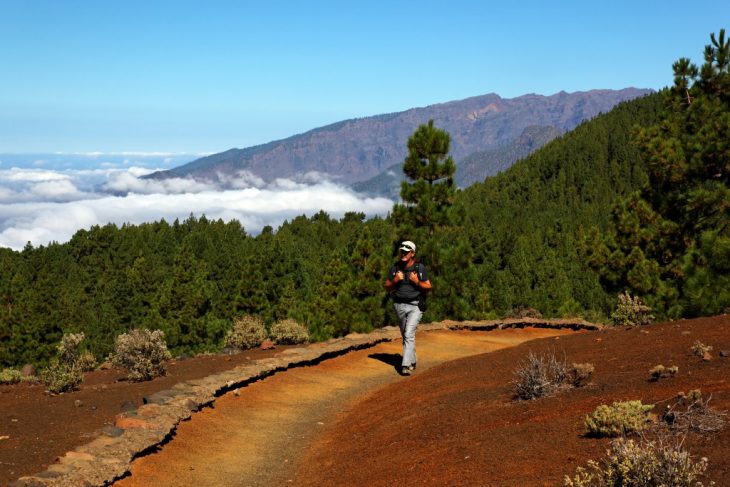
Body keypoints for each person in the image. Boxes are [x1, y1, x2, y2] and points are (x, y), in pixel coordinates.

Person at [384, 240, 432, 376]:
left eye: (407, 251)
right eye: (402, 251)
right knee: (406, 335)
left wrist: (417, 282)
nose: (403, 253)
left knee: (409, 334)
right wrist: (395, 280)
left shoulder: (419, 268)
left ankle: (405, 365)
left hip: (415, 305)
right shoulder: (395, 268)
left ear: (412, 254)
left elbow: (428, 286)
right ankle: (413, 359)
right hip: (399, 305)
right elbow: (387, 286)